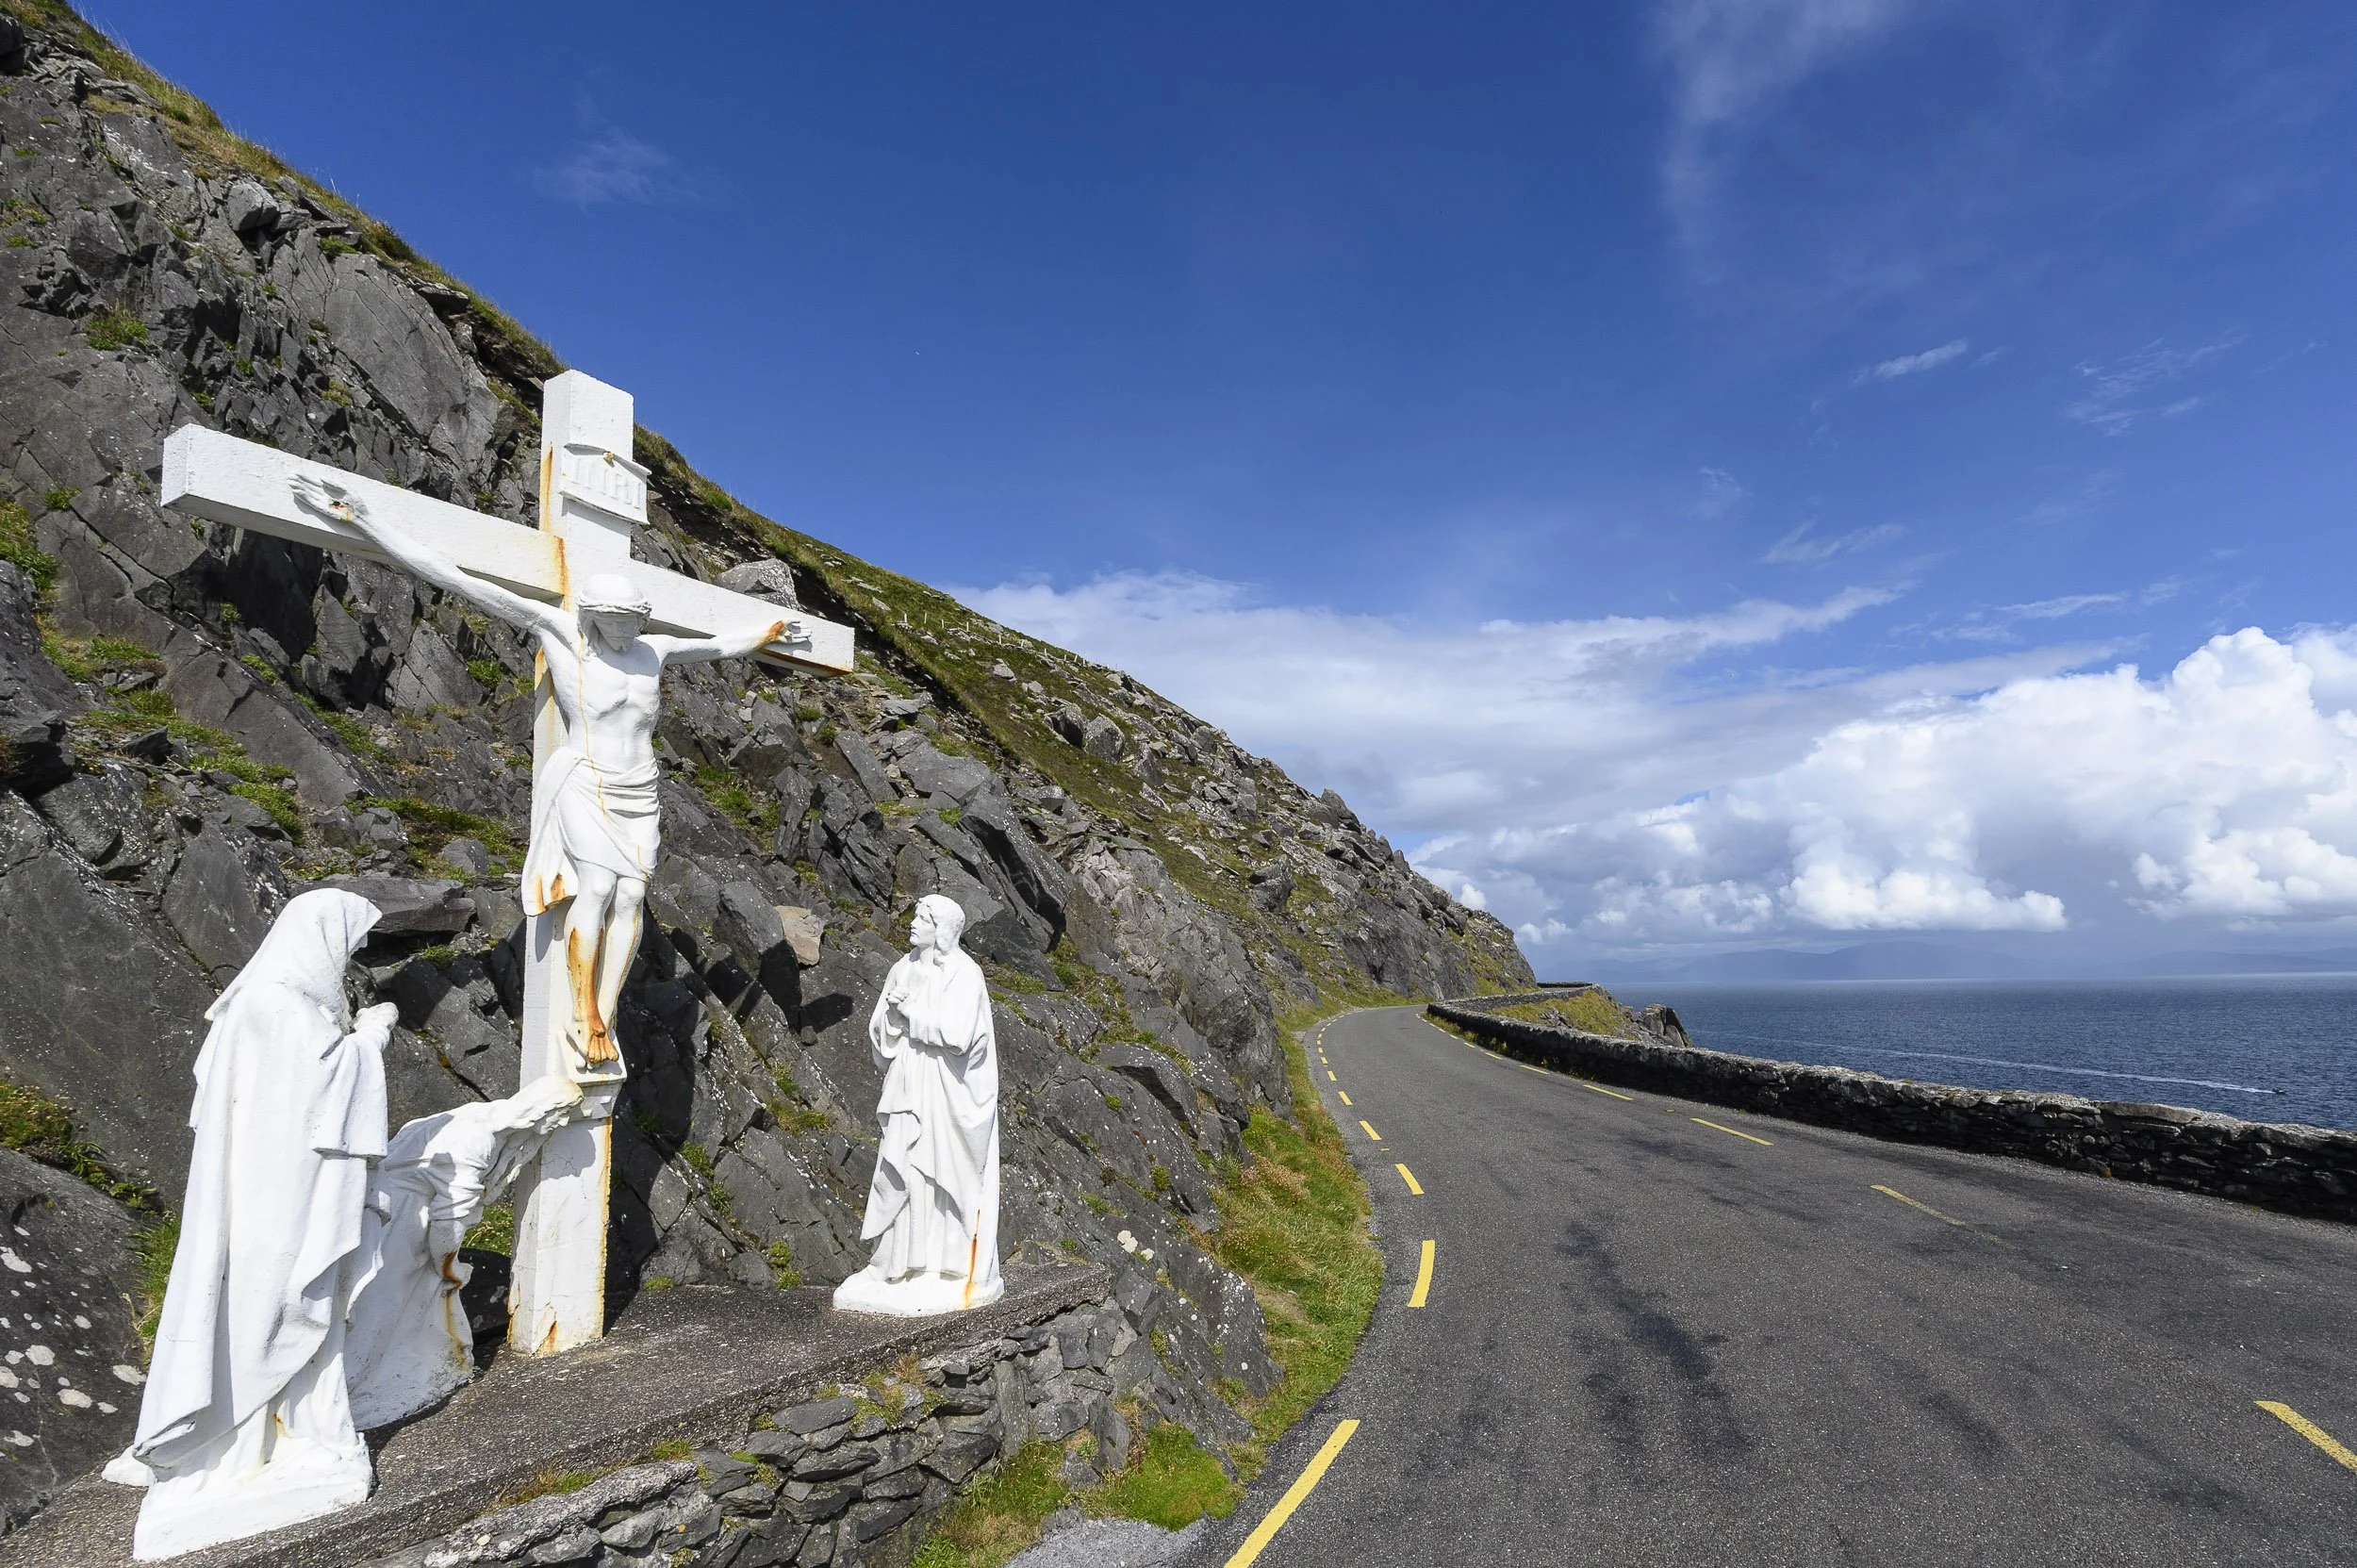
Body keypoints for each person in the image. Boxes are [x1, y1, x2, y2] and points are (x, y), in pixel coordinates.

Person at [291, 474, 790, 1072]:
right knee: (599, 889)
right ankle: (586, 1014)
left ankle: (605, 1011)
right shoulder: (562, 635)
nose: (625, 629)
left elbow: (718, 645)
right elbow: (460, 580)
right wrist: (366, 522)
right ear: (594, 615)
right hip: (586, 780)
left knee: (632, 896)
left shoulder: (653, 651)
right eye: (614, 619)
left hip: (641, 787)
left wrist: (772, 631)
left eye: (633, 619)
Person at [105, 889, 394, 1560]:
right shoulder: (278, 1005)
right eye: (345, 948)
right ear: (318, 940)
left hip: (271, 1185)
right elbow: (325, 1084)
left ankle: (279, 1433)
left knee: (275, 1312)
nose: (347, 963)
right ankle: (230, 1445)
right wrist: (371, 1038)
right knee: (272, 1306)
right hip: (276, 1196)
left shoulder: (260, 1001)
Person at [344, 1076, 585, 1429]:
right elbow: (448, 1225)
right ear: (535, 1111)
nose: (561, 1123)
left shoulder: (470, 1115)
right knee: (381, 1305)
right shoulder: (477, 1143)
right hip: (403, 1222)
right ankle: (355, 1385)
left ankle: (360, 1378)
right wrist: (449, 1269)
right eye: (559, 1113)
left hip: (375, 1209)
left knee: (377, 1302)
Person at [835, 895, 1003, 1315]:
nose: (912, 924)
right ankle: (894, 1262)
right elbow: (882, 1033)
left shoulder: (967, 974)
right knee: (904, 1166)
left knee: (941, 1172)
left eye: (922, 918)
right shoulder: (902, 968)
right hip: (910, 1083)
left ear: (942, 929)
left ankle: (944, 1266)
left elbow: (962, 1035)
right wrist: (892, 1018)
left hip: (948, 1091)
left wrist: (911, 1014)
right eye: (914, 916)